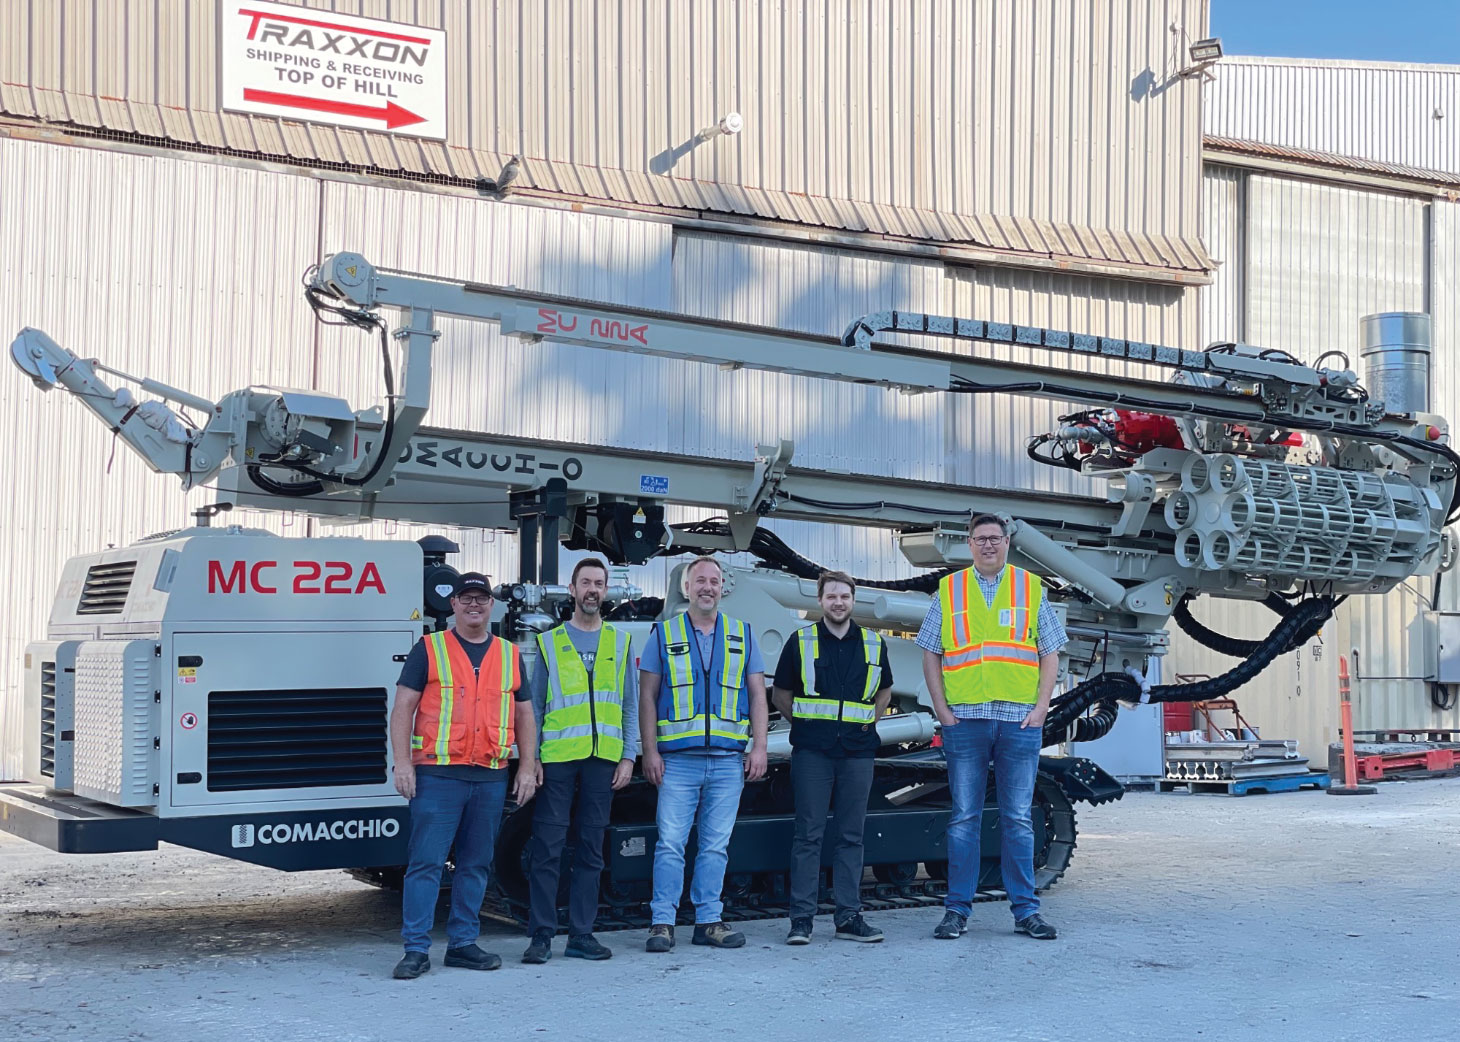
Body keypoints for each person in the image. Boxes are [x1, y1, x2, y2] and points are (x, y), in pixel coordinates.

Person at [918, 514, 1066, 942]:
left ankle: (1026, 912)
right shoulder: (949, 590)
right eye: (980, 539)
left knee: (1018, 819)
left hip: (1019, 721)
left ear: (1007, 543)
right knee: (964, 819)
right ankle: (956, 913)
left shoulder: (1029, 586)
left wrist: (1041, 708)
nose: (988, 545)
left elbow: (1050, 651)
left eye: (995, 539)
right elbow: (930, 651)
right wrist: (942, 711)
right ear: (969, 544)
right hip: (965, 721)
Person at [388, 572, 539, 980]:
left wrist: (527, 765)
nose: (475, 605)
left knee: (476, 864)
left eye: (482, 599)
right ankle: (416, 949)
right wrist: (402, 763)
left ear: (493, 605)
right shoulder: (430, 648)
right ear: (453, 604)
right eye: (466, 598)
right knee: (426, 864)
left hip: (490, 775)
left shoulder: (509, 655)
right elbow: (403, 707)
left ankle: (463, 944)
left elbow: (525, 713)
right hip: (438, 775)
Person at [638, 556, 769, 952]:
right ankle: (662, 923)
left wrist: (759, 746)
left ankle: (709, 920)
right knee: (670, 843)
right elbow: (647, 695)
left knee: (715, 845)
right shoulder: (663, 633)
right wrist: (649, 751)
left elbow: (758, 695)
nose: (707, 587)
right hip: (677, 760)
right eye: (700, 581)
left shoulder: (743, 634)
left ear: (722, 588)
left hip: (728, 761)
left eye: (714, 581)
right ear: (686, 588)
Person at [520, 557, 638, 964]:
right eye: (585, 582)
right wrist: (530, 759)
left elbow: (629, 706)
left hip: (602, 760)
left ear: (606, 592)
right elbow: (533, 707)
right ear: (572, 590)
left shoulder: (620, 643)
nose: (592, 590)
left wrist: (628, 756)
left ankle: (582, 934)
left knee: (591, 847)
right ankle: (541, 935)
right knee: (548, 848)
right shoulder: (549, 642)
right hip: (556, 761)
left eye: (599, 583)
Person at [771, 570, 893, 945]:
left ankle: (848, 917)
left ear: (853, 601)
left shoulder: (874, 644)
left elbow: (884, 693)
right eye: (831, 597)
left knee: (851, 836)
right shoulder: (801, 641)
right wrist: (810, 726)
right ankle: (802, 921)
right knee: (808, 835)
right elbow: (780, 695)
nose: (838, 602)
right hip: (813, 753)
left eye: (844, 596)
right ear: (820, 601)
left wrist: (860, 725)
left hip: (857, 753)